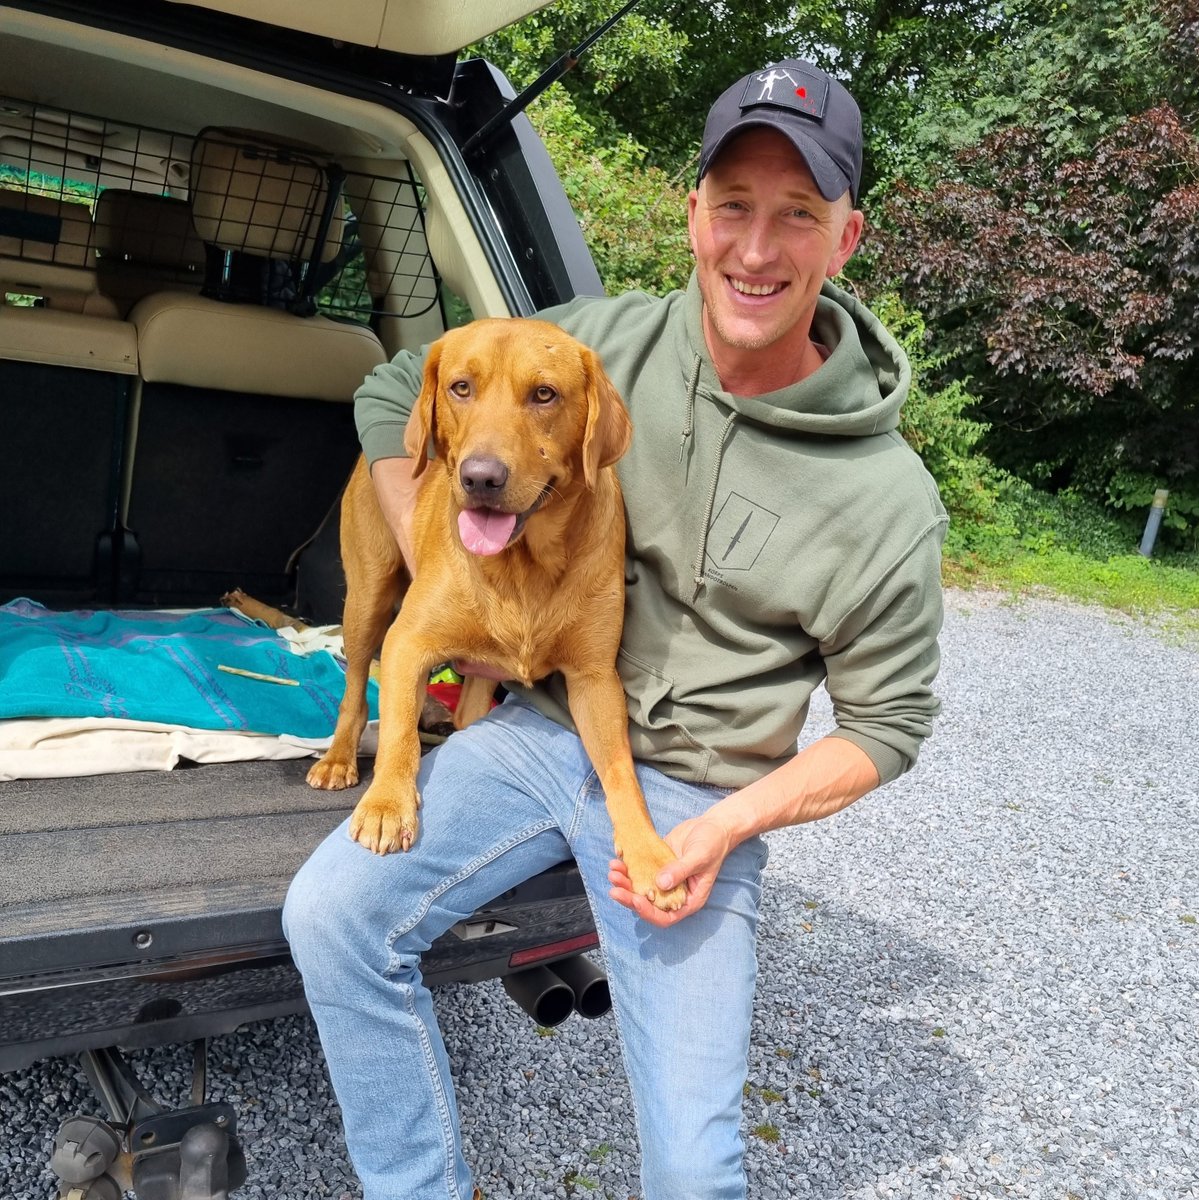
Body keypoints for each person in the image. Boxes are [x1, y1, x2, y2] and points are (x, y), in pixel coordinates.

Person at [283, 57, 946, 1200]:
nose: (754, 248)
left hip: (695, 797)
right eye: (731, 205)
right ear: (692, 213)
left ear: (846, 241)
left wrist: (724, 827)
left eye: (797, 215)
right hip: (537, 735)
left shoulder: (890, 501)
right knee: (332, 912)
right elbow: (401, 390)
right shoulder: (600, 342)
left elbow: (886, 728)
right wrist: (432, 539)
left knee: (695, 1171)